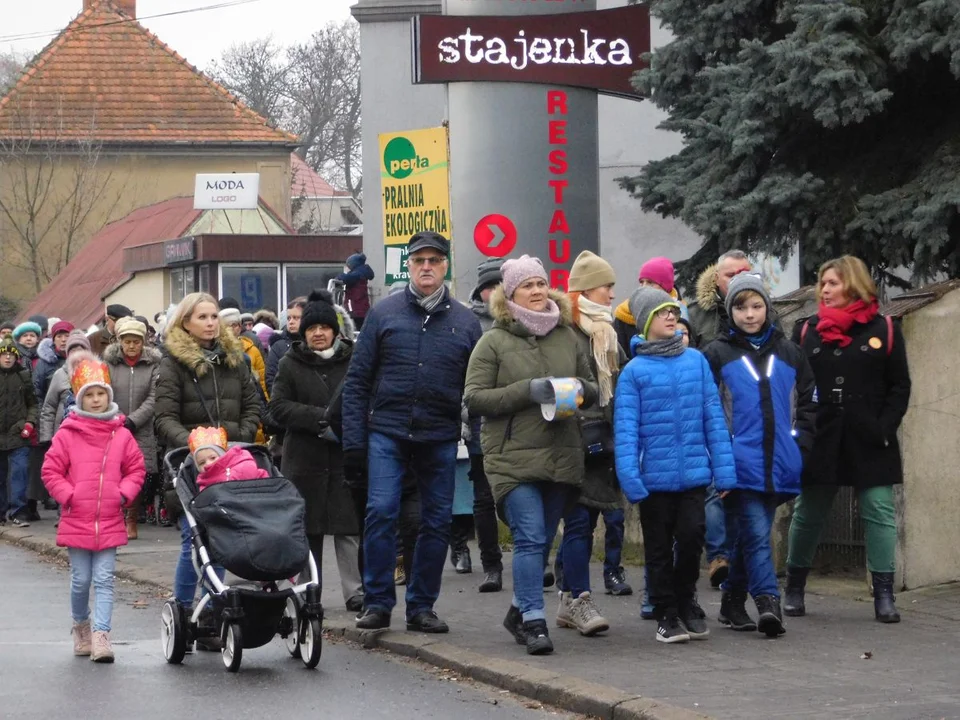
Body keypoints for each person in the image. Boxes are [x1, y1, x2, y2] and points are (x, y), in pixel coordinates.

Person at [342, 231, 482, 634]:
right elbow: (357, 383)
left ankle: (421, 605)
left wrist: (478, 448)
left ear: (444, 267)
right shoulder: (384, 315)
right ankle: (379, 601)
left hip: (439, 435)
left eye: (434, 260)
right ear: (408, 265)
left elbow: (475, 391)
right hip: (386, 431)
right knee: (381, 511)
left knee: (436, 521)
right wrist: (354, 445)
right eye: (418, 260)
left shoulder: (465, 322)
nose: (426, 267)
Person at [464, 254, 598, 655]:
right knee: (530, 536)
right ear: (510, 294)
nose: (537, 291)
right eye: (528, 285)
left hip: (562, 451)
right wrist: (528, 391)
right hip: (511, 457)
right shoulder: (494, 340)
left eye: (541, 283)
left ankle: (518, 611)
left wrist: (574, 390)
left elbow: (591, 387)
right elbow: (474, 399)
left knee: (540, 543)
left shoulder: (568, 335)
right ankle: (535, 621)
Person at [785, 256, 911, 624]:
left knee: (880, 512)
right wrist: (800, 430)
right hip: (821, 433)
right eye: (822, 283)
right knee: (808, 513)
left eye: (833, 283)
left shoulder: (885, 328)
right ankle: (794, 588)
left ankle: (884, 596)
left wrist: (884, 426)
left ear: (854, 284)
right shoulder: (806, 330)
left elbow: (899, 386)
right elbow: (793, 386)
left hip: (869, 435)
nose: (824, 289)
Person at [614, 287, 736, 644]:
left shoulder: (696, 361)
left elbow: (714, 417)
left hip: (695, 476)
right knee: (657, 550)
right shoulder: (634, 372)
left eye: (674, 311)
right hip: (654, 480)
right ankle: (665, 613)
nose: (672, 317)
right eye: (663, 312)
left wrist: (724, 470)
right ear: (646, 322)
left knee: (692, 538)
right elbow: (626, 430)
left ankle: (686, 601)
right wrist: (631, 478)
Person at [702, 274, 816, 637]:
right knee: (755, 534)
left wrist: (799, 447)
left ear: (767, 307)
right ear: (729, 310)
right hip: (737, 463)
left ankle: (732, 602)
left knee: (747, 538)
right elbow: (706, 411)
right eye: (740, 307)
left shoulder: (791, 353)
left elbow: (810, 404)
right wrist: (718, 460)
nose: (749, 314)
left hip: (781, 461)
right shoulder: (716, 354)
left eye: (756, 306)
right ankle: (769, 601)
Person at [154, 293, 261, 643]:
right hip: (191, 465)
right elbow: (164, 418)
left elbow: (252, 405)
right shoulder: (172, 363)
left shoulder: (237, 359)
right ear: (186, 322)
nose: (211, 322)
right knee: (194, 540)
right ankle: (184, 611)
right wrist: (197, 445)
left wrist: (238, 439)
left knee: (221, 538)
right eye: (202, 317)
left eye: (214, 316)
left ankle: (212, 611)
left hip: (232, 460)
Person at [41, 353, 145, 663]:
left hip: (110, 518)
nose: (97, 400)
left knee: (104, 579)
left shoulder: (122, 434)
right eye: (90, 395)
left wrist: (123, 494)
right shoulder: (68, 434)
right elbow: (51, 471)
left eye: (101, 394)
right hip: (78, 518)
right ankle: (81, 626)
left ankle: (102, 635)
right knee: (80, 580)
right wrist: (68, 495)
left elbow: (136, 469)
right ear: (79, 398)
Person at [269, 291, 364, 612]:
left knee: (349, 529)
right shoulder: (289, 363)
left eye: (325, 327)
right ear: (303, 332)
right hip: (304, 459)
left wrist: (342, 425)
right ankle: (310, 590)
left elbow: (366, 401)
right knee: (307, 530)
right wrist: (320, 418)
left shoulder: (355, 361)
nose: (319, 333)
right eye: (312, 328)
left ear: (336, 330)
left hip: (343, 456)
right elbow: (278, 407)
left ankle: (356, 592)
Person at [554, 250, 625, 637]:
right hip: (578, 444)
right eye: (606, 286)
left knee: (593, 520)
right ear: (584, 290)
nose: (612, 294)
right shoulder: (565, 333)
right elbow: (562, 389)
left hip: (607, 447)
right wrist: (587, 420)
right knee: (579, 522)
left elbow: (623, 380)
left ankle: (568, 592)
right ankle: (576, 598)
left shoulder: (608, 332)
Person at [688, 250, 757, 587]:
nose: (737, 278)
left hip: (747, 413)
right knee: (714, 488)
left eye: (744, 272)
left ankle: (735, 556)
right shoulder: (696, 315)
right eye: (730, 274)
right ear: (717, 278)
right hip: (711, 411)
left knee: (741, 488)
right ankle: (718, 557)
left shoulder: (760, 311)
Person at [460, 257, 507, 592]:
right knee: (483, 496)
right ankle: (491, 564)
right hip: (479, 419)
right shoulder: (466, 323)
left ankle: (535, 560)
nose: (495, 294)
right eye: (490, 287)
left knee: (522, 492)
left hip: (519, 418)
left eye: (501, 287)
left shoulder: (524, 319)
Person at [104, 317, 160, 540]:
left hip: (140, 428)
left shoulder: (153, 365)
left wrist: (133, 420)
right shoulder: (109, 364)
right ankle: (115, 516)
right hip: (112, 426)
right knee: (113, 472)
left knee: (136, 474)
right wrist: (115, 417)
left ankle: (131, 518)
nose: (131, 346)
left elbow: (154, 397)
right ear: (120, 341)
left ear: (143, 342)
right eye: (127, 341)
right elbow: (103, 392)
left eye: (136, 341)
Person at [0, 337, 38, 527]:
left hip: (18, 433)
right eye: (3, 354)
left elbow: (33, 403)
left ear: (16, 358)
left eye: (10, 355)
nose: (7, 358)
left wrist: (29, 423)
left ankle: (18, 512)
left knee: (20, 473)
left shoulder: (23, 376)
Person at [613, 256, 679, 356]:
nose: (644, 287)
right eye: (641, 282)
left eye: (650, 282)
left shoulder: (680, 313)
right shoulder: (624, 314)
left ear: (665, 287)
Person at [188, 426, 268, 491]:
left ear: (223, 455)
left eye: (212, 458)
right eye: (202, 463)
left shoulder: (242, 463)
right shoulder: (204, 483)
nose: (208, 463)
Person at [219, 307, 268, 398]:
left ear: (240, 327)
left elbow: (262, 381)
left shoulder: (252, 349)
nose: (231, 329)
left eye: (234, 325)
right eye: (227, 326)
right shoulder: (216, 351)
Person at [337, 252, 375, 330]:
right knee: (361, 326)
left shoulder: (356, 274)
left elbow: (346, 279)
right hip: (361, 307)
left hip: (355, 306)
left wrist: (340, 276)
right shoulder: (362, 273)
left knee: (356, 326)